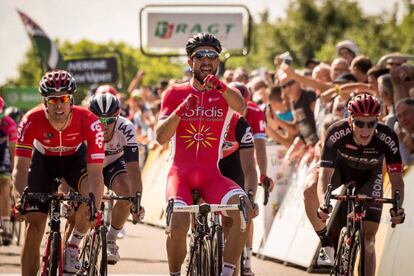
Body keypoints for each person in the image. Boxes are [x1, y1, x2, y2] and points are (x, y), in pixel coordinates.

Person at [155, 32, 250, 276]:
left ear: (218, 61)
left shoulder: (225, 93)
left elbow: (242, 107)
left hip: (211, 175)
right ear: (190, 62)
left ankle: (227, 273)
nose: (206, 60)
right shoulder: (174, 93)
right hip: (180, 175)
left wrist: (221, 86)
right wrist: (179, 111)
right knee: (177, 225)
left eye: (212, 55)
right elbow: (160, 137)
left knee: (242, 211)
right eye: (200, 55)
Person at [12, 70, 105, 275]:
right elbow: (20, 169)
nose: (59, 105)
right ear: (45, 102)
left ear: (71, 99)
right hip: (43, 162)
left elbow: (97, 174)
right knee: (34, 227)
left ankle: (73, 245)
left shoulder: (89, 120)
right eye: (53, 100)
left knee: (91, 197)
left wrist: (93, 206)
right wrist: (21, 197)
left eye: (63, 98)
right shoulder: (30, 120)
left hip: (74, 160)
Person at [316, 94, 406, 276]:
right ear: (350, 120)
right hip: (341, 170)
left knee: (369, 240)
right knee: (309, 188)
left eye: (371, 124)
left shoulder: (387, 137)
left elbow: (397, 180)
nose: (365, 129)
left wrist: (398, 209)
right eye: (359, 123)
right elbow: (324, 175)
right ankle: (326, 240)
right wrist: (323, 204)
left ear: (377, 121)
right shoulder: (336, 132)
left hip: (371, 175)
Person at [86, 88, 145, 263]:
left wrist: (136, 201)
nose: (104, 125)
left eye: (109, 120)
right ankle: (73, 244)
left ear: (117, 117)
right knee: (78, 207)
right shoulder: (84, 125)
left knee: (126, 194)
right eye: (99, 120)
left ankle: (111, 239)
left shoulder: (126, 128)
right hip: (89, 162)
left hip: (112, 163)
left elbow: (133, 169)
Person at [0, 97, 17, 246]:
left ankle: (5, 227)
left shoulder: (8, 123)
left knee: (4, 185)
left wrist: (14, 169)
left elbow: (13, 149)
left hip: (3, 154)